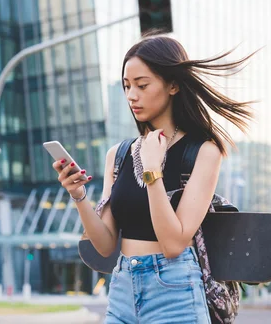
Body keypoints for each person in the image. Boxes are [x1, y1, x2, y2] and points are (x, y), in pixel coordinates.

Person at [51, 35, 253, 323]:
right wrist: (78, 196)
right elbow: (106, 245)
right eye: (126, 86)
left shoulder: (203, 152)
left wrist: (152, 172)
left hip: (174, 291)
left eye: (142, 85)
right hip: (122, 289)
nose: (132, 95)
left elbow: (173, 244)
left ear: (173, 85)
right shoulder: (118, 155)